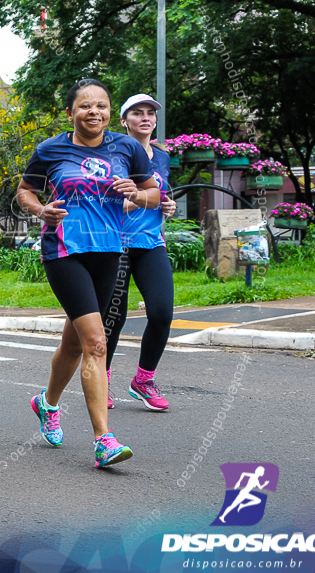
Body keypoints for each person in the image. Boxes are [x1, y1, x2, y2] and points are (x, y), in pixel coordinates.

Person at [16, 78, 161, 468]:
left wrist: (136, 192)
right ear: (70, 113)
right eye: (85, 106)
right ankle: (104, 441)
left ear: (109, 111)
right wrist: (39, 210)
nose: (94, 112)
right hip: (64, 250)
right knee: (97, 341)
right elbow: (25, 191)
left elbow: (154, 196)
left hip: (109, 252)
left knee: (75, 343)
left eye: (101, 105)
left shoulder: (127, 148)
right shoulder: (51, 149)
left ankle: (46, 404)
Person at [104, 94, 176, 411]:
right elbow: (106, 202)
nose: (145, 118)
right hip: (115, 244)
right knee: (112, 319)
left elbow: (162, 194)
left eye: (150, 113)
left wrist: (167, 204)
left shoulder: (161, 157)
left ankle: (143, 381)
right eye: (137, 113)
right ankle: (100, 381)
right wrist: (143, 199)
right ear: (124, 121)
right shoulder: (111, 155)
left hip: (150, 243)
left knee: (161, 313)